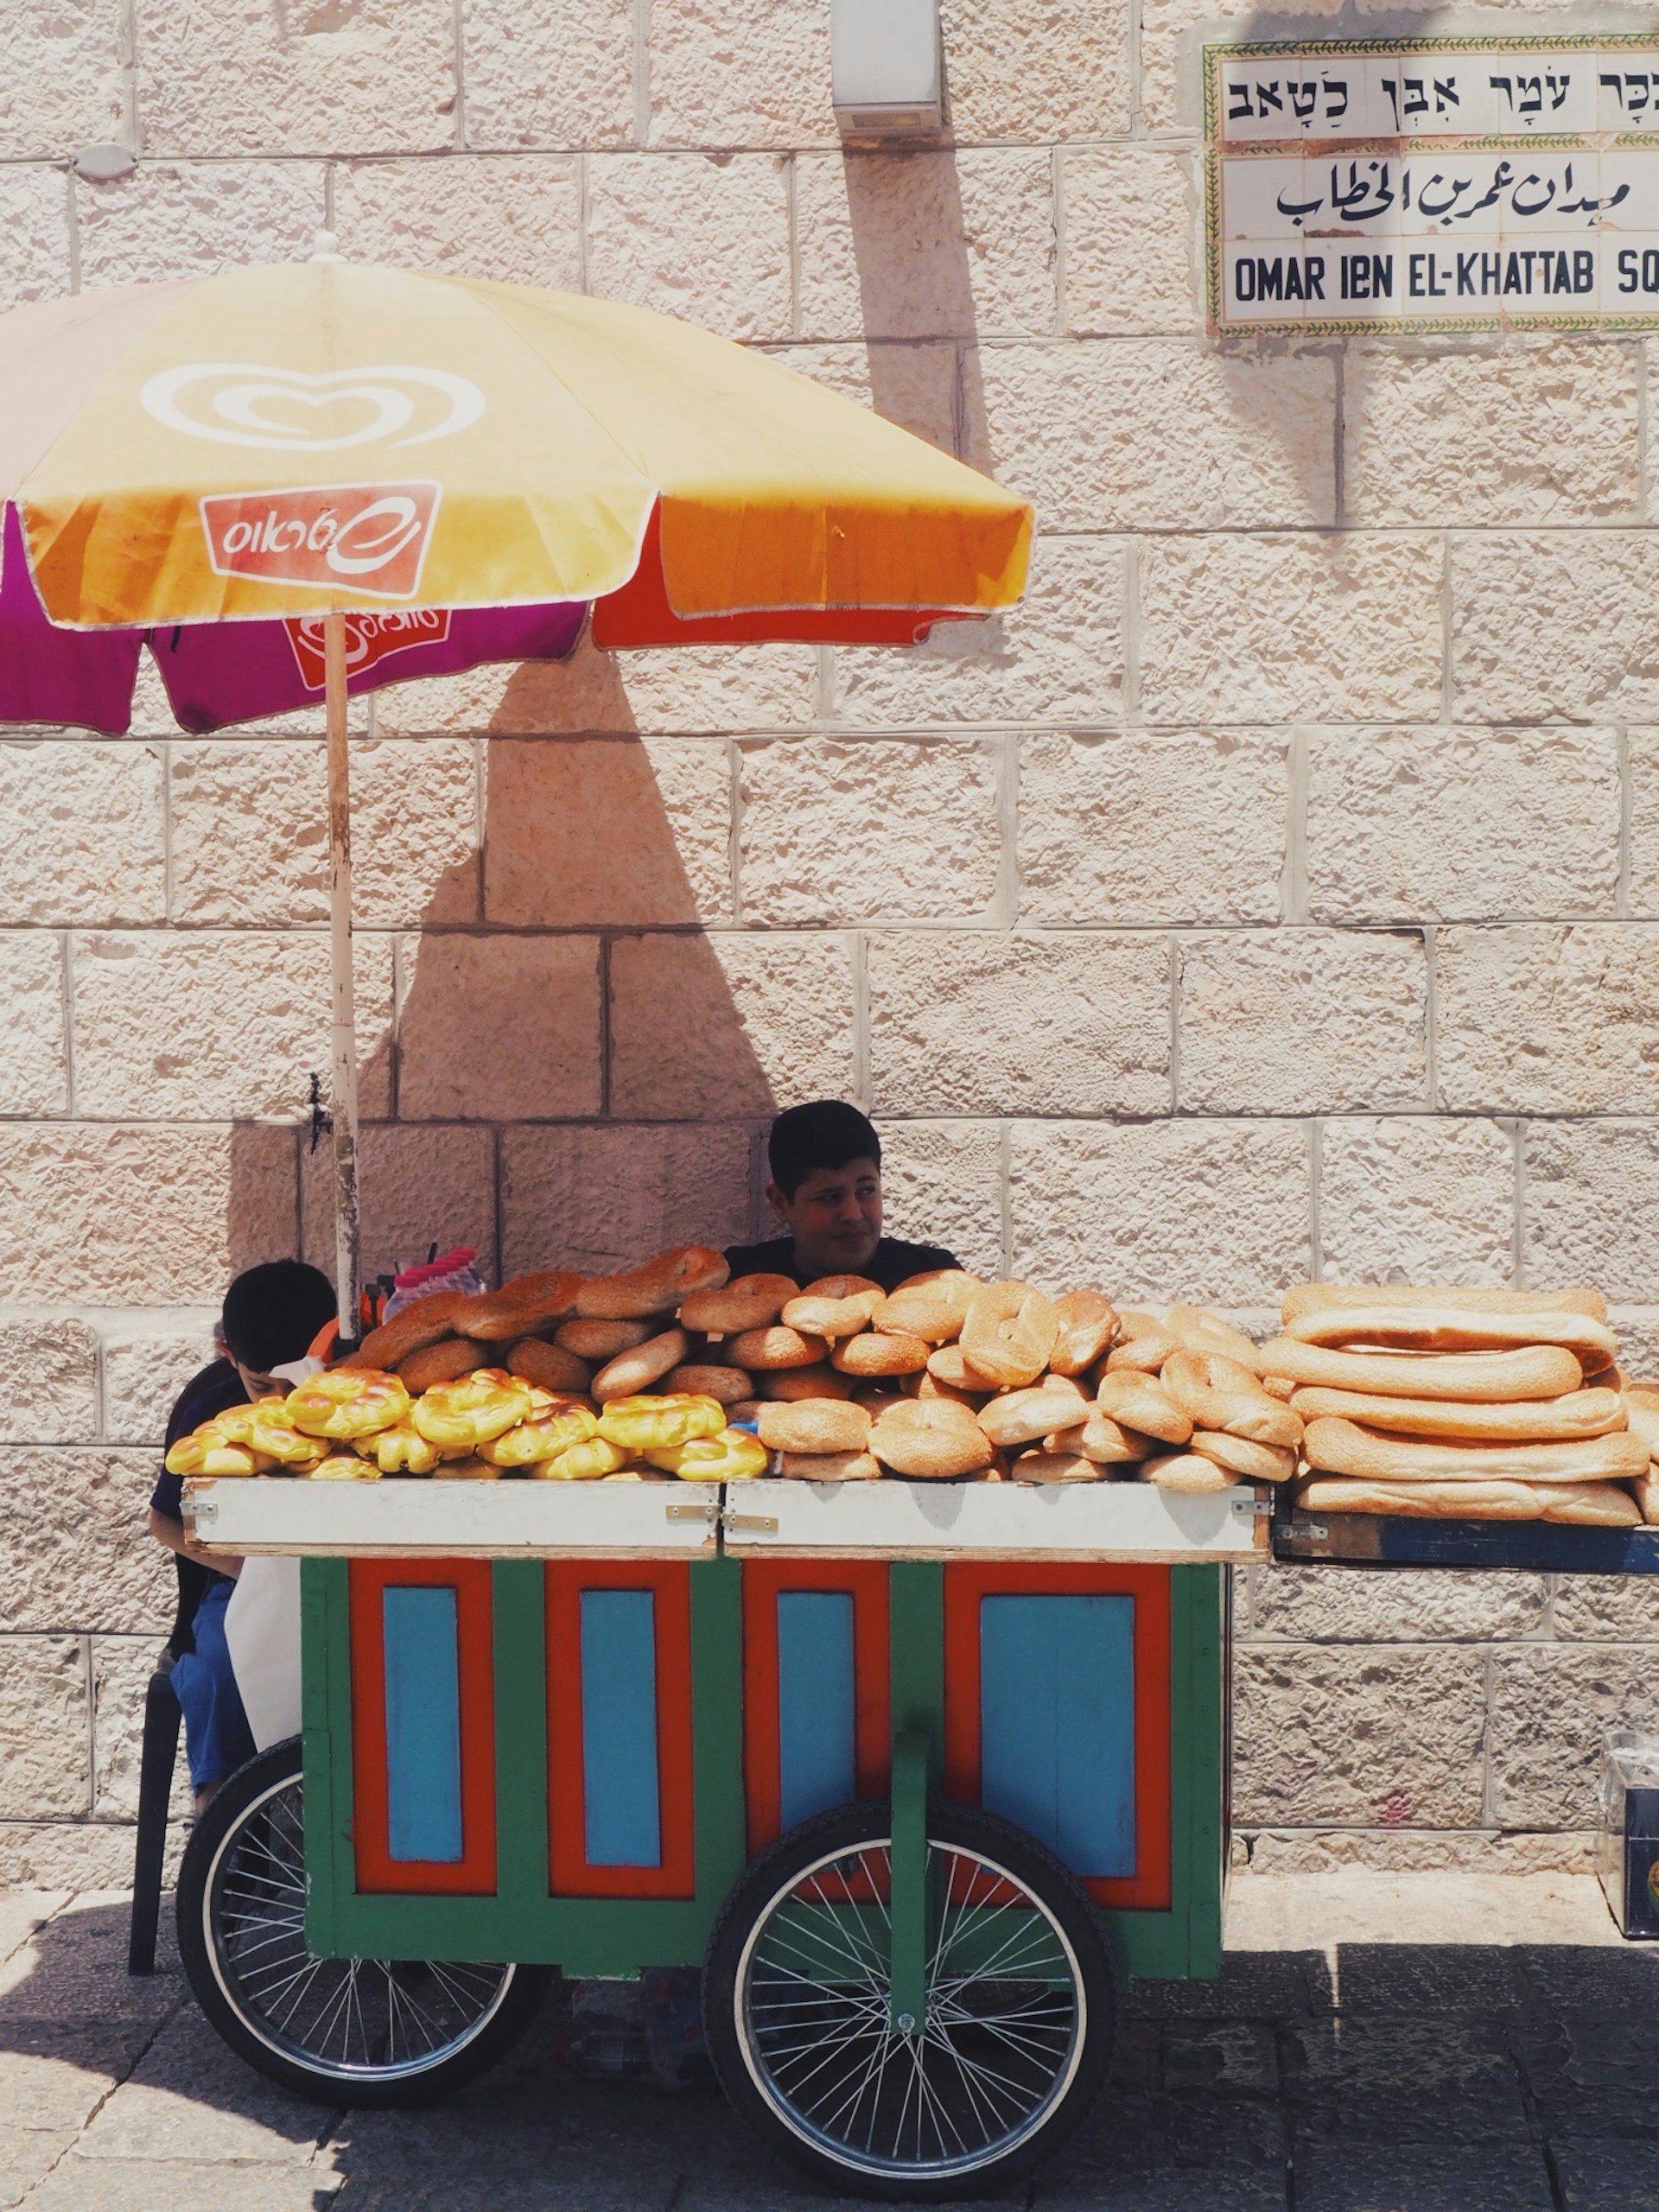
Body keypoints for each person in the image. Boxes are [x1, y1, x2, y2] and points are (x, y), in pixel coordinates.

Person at [149, 1261, 337, 1811]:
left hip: (345, 1577)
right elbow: (164, 1520)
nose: (281, 1402)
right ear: (226, 1353)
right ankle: (219, 1819)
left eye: (296, 1381)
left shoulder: (360, 1399)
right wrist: (253, 1570)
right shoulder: (213, 1410)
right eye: (263, 1386)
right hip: (239, 1584)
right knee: (215, 1672)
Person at [723, 1100, 961, 1293]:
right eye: (830, 1197)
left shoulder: (934, 1278)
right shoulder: (733, 1281)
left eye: (866, 1191)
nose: (853, 1214)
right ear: (780, 1202)